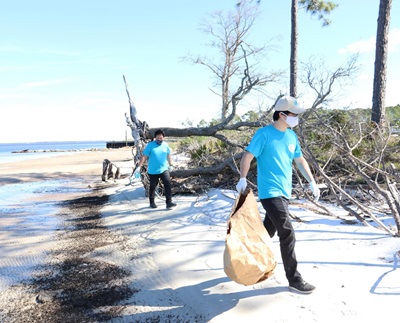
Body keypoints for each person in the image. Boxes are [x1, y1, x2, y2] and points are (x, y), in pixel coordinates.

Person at [236, 95, 320, 294]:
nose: (296, 118)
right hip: (269, 191)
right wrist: (242, 178)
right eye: (293, 114)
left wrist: (312, 181)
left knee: (267, 232)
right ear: (282, 115)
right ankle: (294, 279)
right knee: (287, 233)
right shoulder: (264, 134)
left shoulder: (291, 136)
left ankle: (246, 259)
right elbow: (248, 156)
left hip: (284, 192)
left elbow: (299, 160)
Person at [135, 129, 177, 209]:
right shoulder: (150, 145)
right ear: (155, 138)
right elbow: (144, 156)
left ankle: (169, 202)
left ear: (163, 138)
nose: (159, 140)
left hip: (164, 169)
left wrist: (171, 165)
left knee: (168, 184)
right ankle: (152, 202)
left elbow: (168, 155)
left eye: (161, 138)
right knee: (153, 186)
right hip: (153, 171)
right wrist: (139, 166)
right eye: (157, 138)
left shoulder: (166, 145)